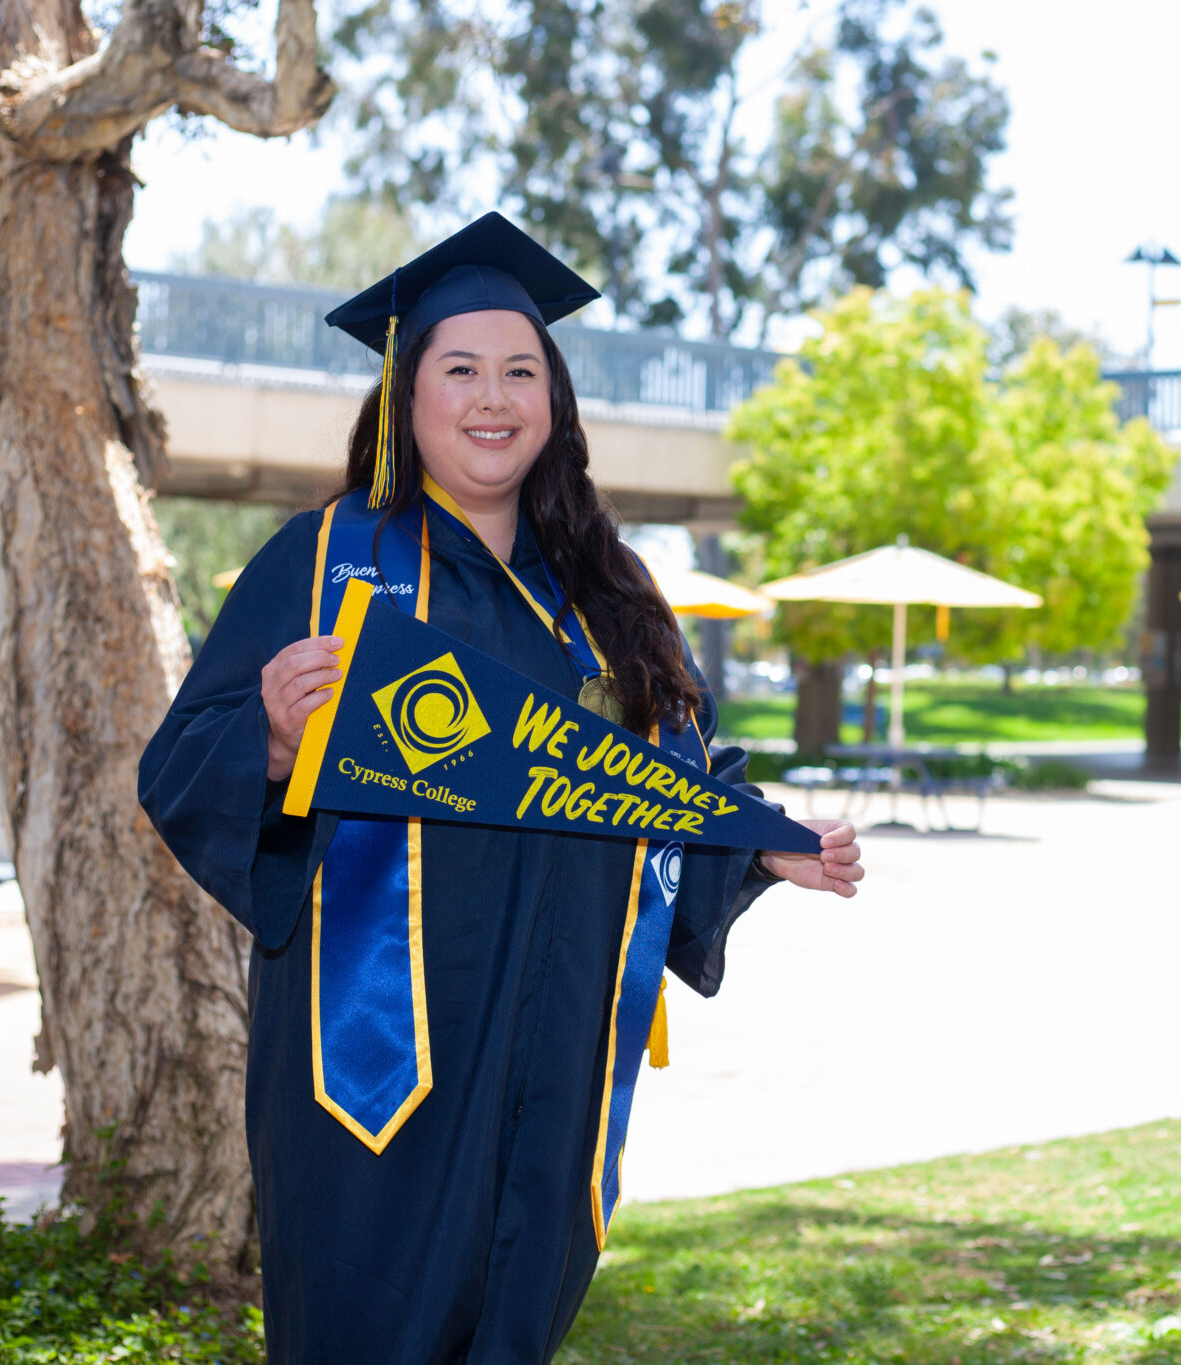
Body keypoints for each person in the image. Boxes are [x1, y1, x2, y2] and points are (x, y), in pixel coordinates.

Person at [137, 214, 865, 1364]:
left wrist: (759, 843)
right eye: (460, 368)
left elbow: (669, 777)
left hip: (556, 1038)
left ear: (555, 404)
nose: (492, 396)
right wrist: (272, 740)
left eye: (520, 371)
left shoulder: (607, 593)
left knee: (516, 1319)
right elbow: (179, 763)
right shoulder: (326, 559)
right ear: (407, 396)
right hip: (374, 1067)